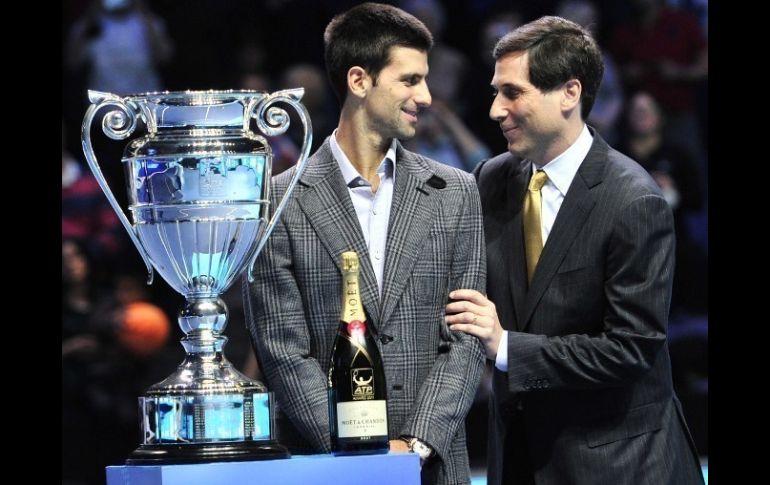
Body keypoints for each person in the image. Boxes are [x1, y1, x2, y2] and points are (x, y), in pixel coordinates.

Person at [445, 16, 704, 485]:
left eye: (513, 92)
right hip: (520, 457)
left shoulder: (634, 200)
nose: (495, 110)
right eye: (495, 91)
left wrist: (505, 346)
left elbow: (630, 349)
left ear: (569, 92)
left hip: (620, 465)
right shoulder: (491, 178)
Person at [243, 3, 486, 484]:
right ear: (359, 81)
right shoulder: (278, 201)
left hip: (435, 466)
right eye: (410, 80)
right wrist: (361, 455)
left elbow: (465, 339)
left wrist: (416, 444)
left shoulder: (456, 191)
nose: (427, 96)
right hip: (329, 468)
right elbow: (283, 352)